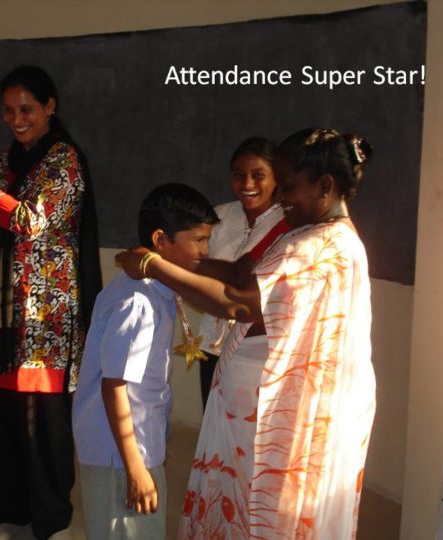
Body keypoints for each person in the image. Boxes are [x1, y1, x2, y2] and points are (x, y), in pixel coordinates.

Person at [116, 128, 376, 539]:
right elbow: (239, 270)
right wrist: (171, 258)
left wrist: (153, 267)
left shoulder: (324, 247)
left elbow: (238, 301)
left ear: (326, 186)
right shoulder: (300, 231)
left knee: (275, 515)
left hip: (295, 417)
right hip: (253, 410)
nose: (282, 197)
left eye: (288, 187)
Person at [0, 65, 102, 540]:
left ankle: (52, 523)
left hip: (42, 317)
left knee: (40, 427)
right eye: (9, 111)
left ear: (50, 107)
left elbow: (32, 222)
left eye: (26, 109)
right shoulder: (6, 161)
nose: (16, 119)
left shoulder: (64, 161)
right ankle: (10, 516)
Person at [73, 183, 218, 540]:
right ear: (160, 239)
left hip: (134, 447)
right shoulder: (139, 303)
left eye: (207, 239)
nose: (205, 249)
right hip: (120, 454)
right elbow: (114, 386)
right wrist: (135, 468)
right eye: (197, 239)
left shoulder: (152, 290)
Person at [196, 137, 288, 410]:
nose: (247, 185)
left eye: (258, 175)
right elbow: (197, 263)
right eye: (239, 176)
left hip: (257, 347)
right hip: (211, 345)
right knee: (212, 425)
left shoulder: (286, 222)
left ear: (276, 178)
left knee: (247, 431)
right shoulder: (218, 217)